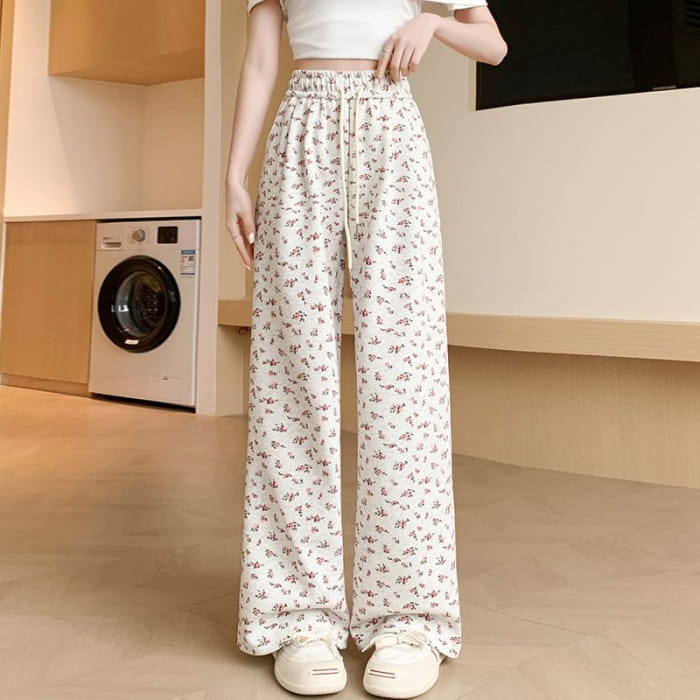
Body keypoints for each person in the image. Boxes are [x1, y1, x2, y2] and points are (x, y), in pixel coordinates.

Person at [225, 1, 507, 697]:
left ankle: (408, 618)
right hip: (300, 134)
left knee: (403, 379)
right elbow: (261, 59)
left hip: (390, 130)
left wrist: (431, 24)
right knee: (290, 376)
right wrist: (234, 174)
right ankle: (297, 615)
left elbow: (492, 44)